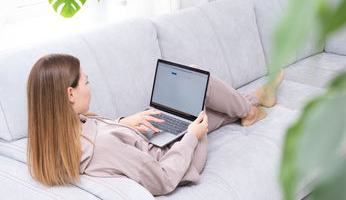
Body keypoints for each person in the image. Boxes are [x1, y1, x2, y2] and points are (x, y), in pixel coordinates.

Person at [27, 53, 284, 195]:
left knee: (189, 103)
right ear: (70, 94)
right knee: (194, 83)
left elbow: (100, 133)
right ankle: (249, 108)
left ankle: (250, 102)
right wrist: (191, 136)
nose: (90, 88)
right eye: (86, 82)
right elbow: (164, 179)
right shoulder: (102, 146)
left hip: (150, 144)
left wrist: (123, 124)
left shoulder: (54, 136)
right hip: (176, 160)